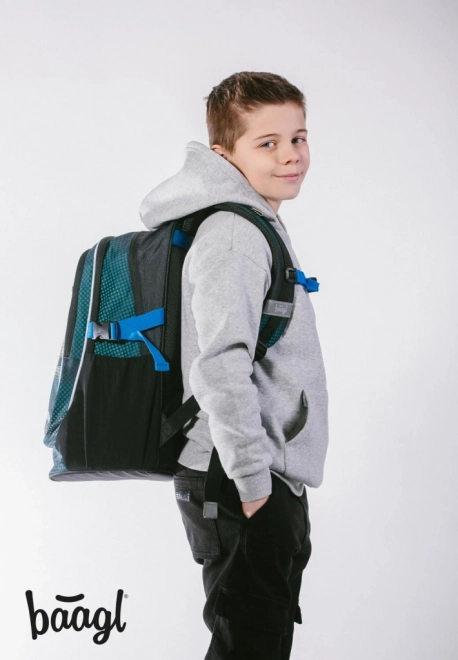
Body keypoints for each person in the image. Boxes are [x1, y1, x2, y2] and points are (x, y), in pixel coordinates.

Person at [139, 71, 329, 660]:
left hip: (255, 473)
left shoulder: (252, 223)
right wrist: (253, 487)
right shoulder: (233, 236)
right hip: (239, 476)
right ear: (224, 154)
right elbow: (220, 366)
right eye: (267, 143)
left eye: (298, 138)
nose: (290, 155)